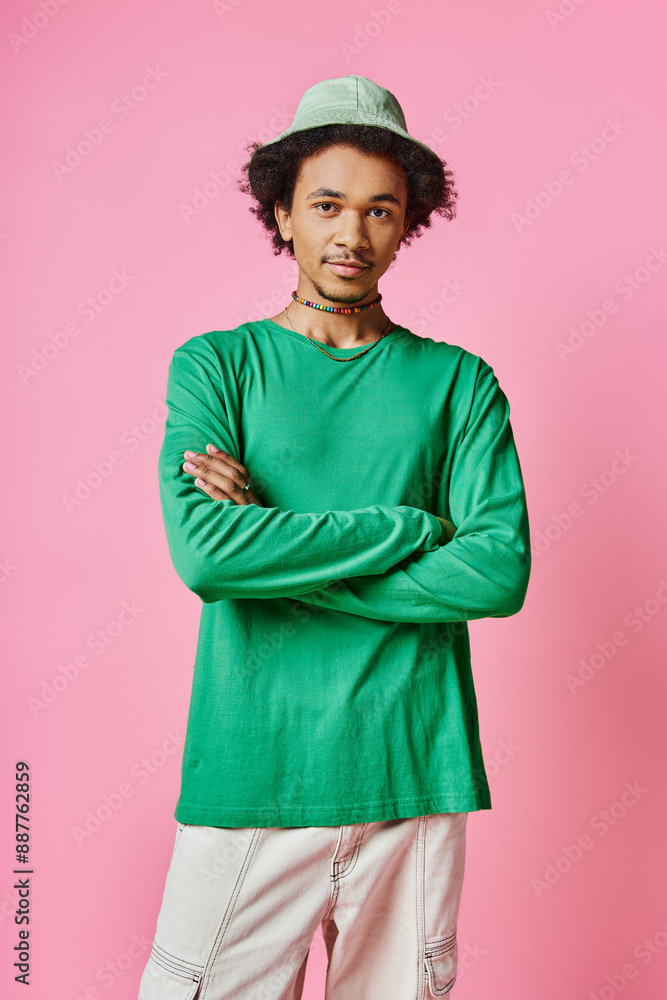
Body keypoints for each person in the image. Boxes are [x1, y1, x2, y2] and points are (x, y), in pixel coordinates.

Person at [138, 75, 531, 1000]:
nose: (351, 235)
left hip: (413, 773)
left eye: (379, 210)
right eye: (325, 205)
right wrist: (407, 526)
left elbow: (496, 571)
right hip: (253, 774)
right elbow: (206, 556)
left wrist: (274, 557)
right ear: (282, 210)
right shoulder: (218, 366)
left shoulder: (458, 385)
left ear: (408, 223)